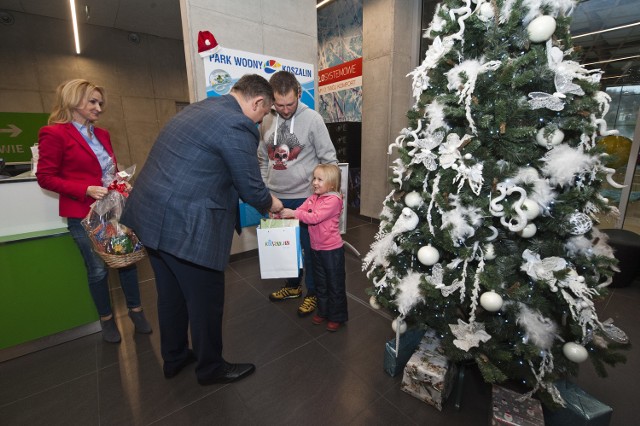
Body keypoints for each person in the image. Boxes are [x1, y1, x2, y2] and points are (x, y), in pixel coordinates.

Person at [120, 74, 283, 385]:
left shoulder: (197, 109)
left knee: (170, 295)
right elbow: (251, 188)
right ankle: (210, 368)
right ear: (258, 102)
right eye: (264, 114)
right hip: (187, 227)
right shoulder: (237, 125)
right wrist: (272, 203)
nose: (262, 120)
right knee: (205, 301)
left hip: (152, 219)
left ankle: (175, 357)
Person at [36, 79, 152, 344]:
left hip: (113, 210)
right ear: (72, 100)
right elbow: (45, 177)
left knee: (127, 260)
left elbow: (106, 170)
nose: (99, 108)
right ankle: (107, 320)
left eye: (100, 103)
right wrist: (85, 189)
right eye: (92, 101)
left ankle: (136, 312)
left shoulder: (102, 135)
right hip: (83, 215)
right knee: (98, 269)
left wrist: (120, 183)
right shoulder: (53, 134)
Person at [258, 70, 338, 317]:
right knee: (284, 248)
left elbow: (329, 160)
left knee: (309, 250)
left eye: (289, 104)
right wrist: (264, 189)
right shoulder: (266, 119)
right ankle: (292, 287)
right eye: (279, 104)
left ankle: (313, 293)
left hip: (306, 197)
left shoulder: (313, 119)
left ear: (299, 95)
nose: (284, 110)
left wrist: (329, 195)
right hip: (275, 198)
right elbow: (262, 158)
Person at [279, 164, 347, 331]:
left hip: (331, 251)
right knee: (321, 282)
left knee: (334, 284)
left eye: (319, 179)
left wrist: (294, 213)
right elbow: (300, 210)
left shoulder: (334, 200)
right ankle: (323, 311)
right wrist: (283, 212)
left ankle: (336, 316)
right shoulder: (313, 198)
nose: (314, 182)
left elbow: (315, 217)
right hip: (316, 249)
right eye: (314, 178)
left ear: (331, 184)